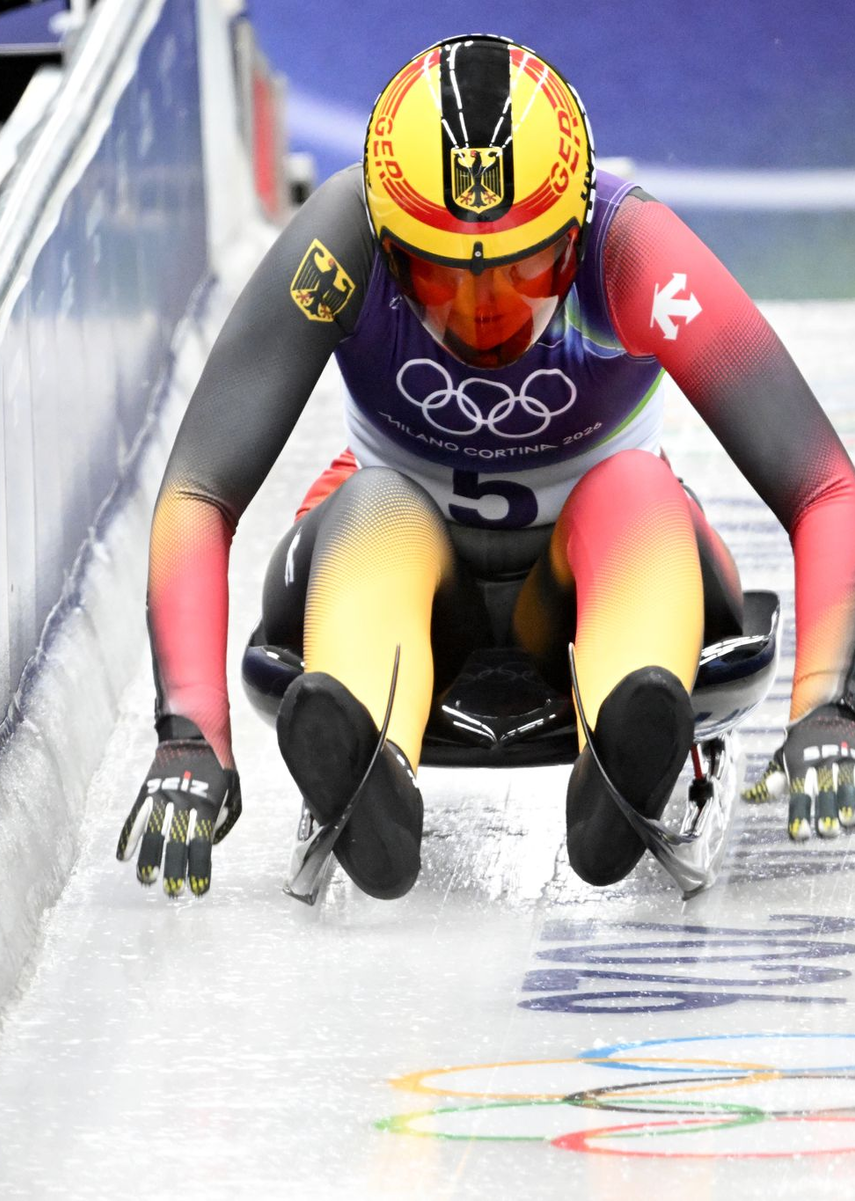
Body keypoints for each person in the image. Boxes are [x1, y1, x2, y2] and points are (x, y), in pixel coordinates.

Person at [116, 34, 855, 899]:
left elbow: (822, 483)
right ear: (389, 248)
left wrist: (828, 702)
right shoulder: (339, 242)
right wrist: (189, 729)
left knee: (635, 488)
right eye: (439, 279)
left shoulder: (636, 249)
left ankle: (624, 737)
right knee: (372, 504)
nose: (482, 316)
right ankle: (365, 751)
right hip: (414, 576)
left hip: (591, 577)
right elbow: (199, 489)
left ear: (574, 234)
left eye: (522, 273)